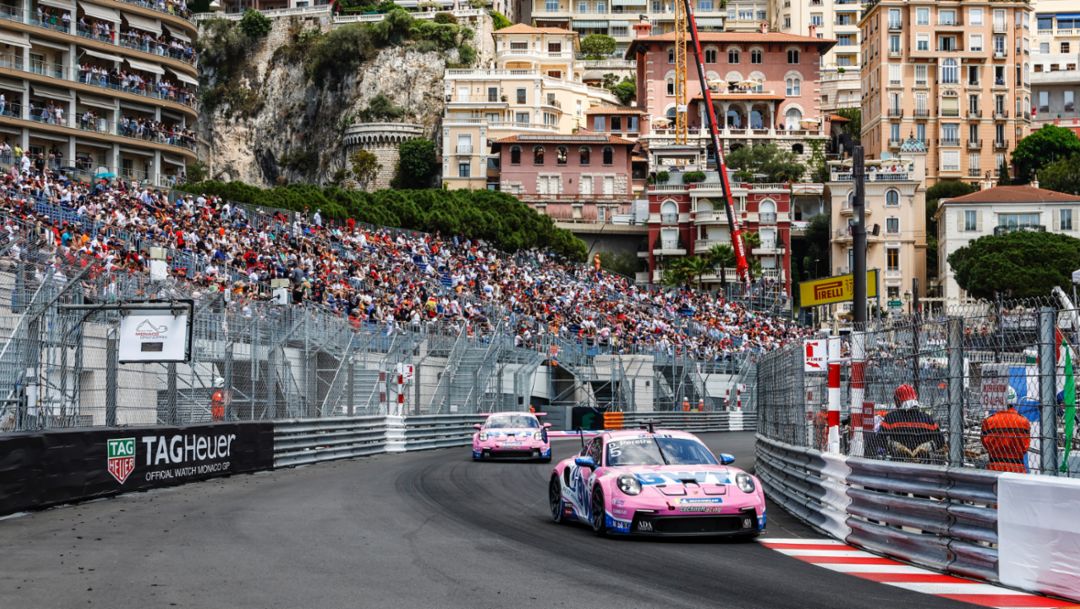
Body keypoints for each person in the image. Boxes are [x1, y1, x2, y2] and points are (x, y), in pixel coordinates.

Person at [880, 384, 945, 462]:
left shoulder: (891, 418)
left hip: (898, 463)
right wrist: (925, 447)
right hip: (922, 464)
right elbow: (940, 441)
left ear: (898, 401)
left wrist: (894, 445)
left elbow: (879, 440)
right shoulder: (927, 419)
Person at [981, 389, 1031, 472]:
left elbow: (985, 443)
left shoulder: (989, 421)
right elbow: (1026, 445)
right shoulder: (1024, 421)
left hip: (995, 465)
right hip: (1018, 467)